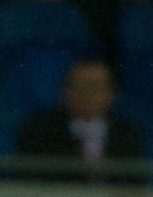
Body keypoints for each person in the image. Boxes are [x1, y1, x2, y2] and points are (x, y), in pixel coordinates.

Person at [16, 59, 145, 173]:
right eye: (77, 86)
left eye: (93, 87)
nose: (85, 94)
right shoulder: (39, 130)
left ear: (111, 93)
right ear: (64, 91)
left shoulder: (128, 133)